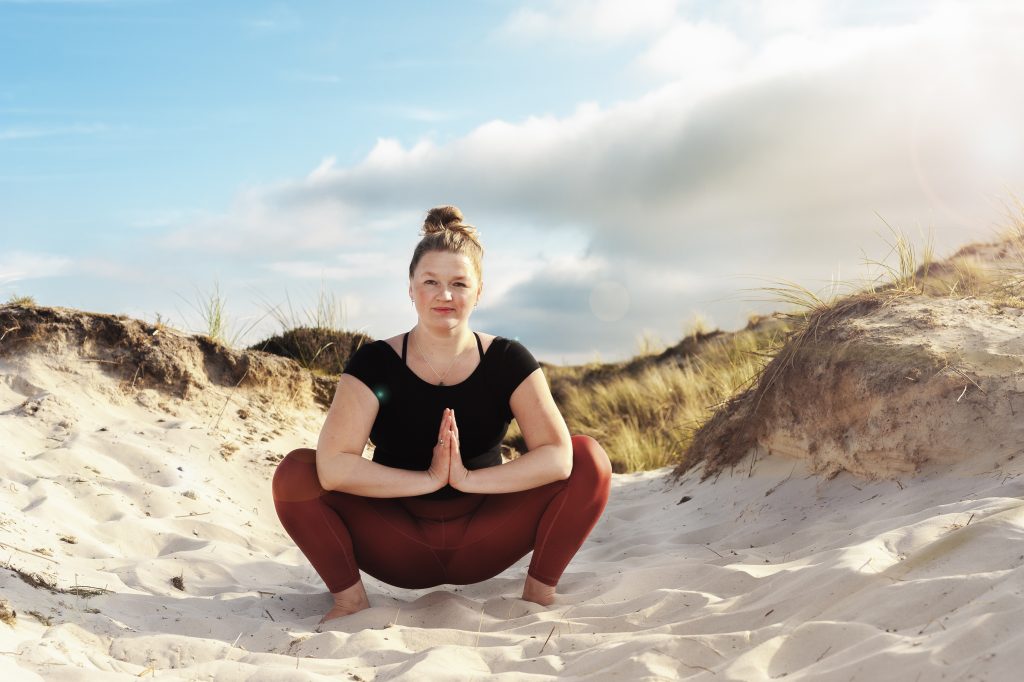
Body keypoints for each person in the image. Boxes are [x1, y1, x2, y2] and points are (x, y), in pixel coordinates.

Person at [271, 205, 612, 626]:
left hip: (486, 535)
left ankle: (538, 594)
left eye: (458, 284)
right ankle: (350, 602)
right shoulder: (374, 363)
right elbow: (333, 467)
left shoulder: (508, 360)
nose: (444, 295)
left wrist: (468, 480)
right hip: (397, 540)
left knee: (589, 458)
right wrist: (428, 480)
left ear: (479, 291)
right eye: (430, 282)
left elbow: (559, 458)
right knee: (296, 472)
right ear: (411, 289)